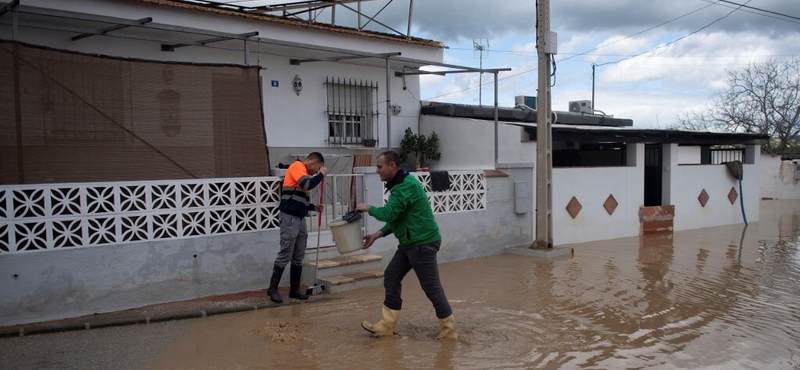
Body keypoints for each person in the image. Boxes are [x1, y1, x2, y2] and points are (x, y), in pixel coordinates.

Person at [355, 150, 457, 340]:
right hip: (410, 243)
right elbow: (398, 218)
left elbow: (388, 213)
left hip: (423, 243)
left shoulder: (404, 186)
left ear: (391, 165)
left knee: (431, 288)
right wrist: (377, 235)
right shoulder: (399, 185)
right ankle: (386, 326)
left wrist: (368, 208)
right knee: (392, 275)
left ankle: (449, 331)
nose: (377, 171)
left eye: (379, 166)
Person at [267, 152, 328, 303]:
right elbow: (307, 185)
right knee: (285, 252)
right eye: (317, 168)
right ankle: (272, 289)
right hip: (289, 217)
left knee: (298, 255)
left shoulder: (304, 173)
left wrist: (314, 207)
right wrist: (321, 175)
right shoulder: (297, 167)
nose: (316, 171)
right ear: (314, 162)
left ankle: (294, 290)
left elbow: (299, 199)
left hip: (300, 218)